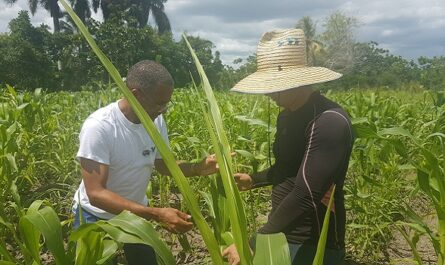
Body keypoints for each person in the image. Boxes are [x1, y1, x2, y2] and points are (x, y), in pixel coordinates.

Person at [222, 29, 355, 265]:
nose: (267, 93)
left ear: (298, 81)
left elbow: (307, 195)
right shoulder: (286, 116)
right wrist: (254, 179)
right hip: (282, 230)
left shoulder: (327, 121)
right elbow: (288, 167)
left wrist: (253, 242)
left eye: (274, 85)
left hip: (313, 241)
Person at [72, 60, 219, 265]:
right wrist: (157, 214)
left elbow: (162, 163)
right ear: (136, 94)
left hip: (136, 213)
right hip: (96, 216)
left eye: (167, 103)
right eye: (159, 103)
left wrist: (196, 168)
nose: (164, 109)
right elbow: (96, 194)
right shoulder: (100, 127)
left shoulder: (155, 119)